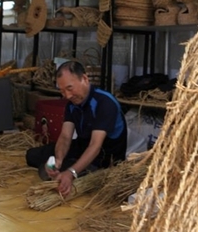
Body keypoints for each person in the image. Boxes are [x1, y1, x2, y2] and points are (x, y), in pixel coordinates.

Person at [25, 60, 127, 196]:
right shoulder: (72, 104)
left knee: (53, 174)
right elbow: (65, 136)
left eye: (69, 88)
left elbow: (95, 146)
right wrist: (58, 159)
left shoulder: (104, 103)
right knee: (32, 156)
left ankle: (70, 171)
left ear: (84, 79)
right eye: (62, 91)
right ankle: (63, 167)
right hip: (82, 146)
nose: (67, 95)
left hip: (103, 158)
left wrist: (71, 172)